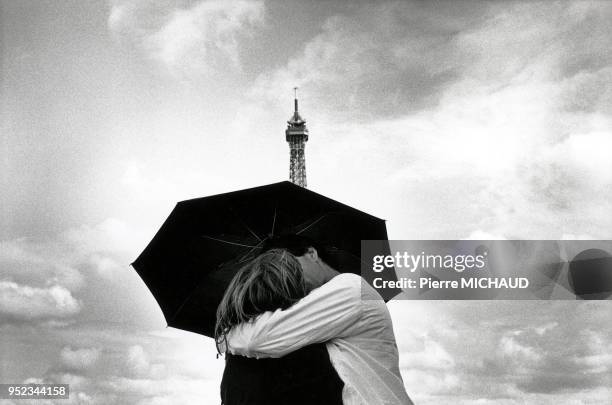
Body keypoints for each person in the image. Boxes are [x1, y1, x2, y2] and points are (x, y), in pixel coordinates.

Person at [216, 236, 413, 405]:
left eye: (289, 264)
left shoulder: (352, 287)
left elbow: (259, 338)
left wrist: (225, 335)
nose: (288, 275)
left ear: (312, 253)